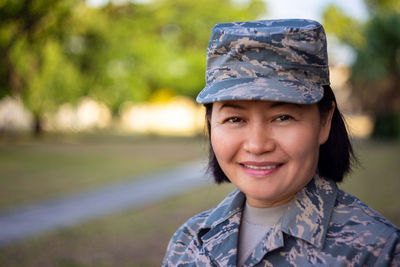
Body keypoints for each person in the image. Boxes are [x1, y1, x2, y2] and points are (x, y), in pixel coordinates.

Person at [162, 19, 400, 266]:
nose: (257, 145)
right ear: (211, 124)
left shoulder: (377, 251)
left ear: (324, 122)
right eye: (235, 118)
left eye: (283, 117)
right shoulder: (188, 243)